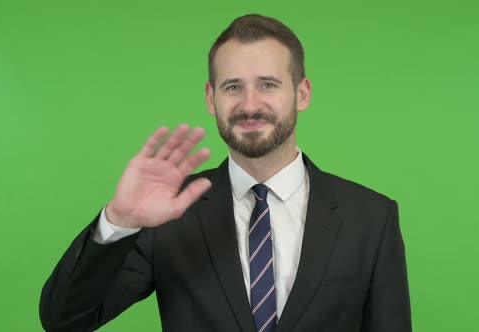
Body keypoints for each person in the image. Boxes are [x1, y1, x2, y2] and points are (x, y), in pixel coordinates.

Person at [40, 14, 412, 332]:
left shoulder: (371, 218)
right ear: (210, 97)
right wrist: (119, 219)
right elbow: (65, 320)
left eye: (268, 84)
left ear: (302, 93)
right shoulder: (169, 212)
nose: (250, 105)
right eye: (233, 87)